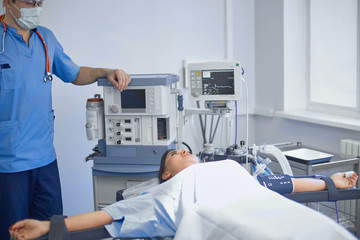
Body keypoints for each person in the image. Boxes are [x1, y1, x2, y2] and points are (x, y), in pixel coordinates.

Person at [9, 149, 359, 240]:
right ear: (166, 174)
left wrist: (330, 182)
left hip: (271, 213)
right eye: (176, 154)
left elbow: (283, 185)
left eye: (186, 150)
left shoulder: (229, 169)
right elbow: (107, 216)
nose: (185, 152)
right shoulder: (166, 192)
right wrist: (46, 226)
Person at [0, 0, 131, 239]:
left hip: (45, 158)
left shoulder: (45, 38)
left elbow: (74, 73)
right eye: (30, 1)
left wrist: (105, 72)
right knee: (13, 232)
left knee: (53, 230)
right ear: (8, 2)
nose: (36, 6)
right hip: (8, 162)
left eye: (39, 1)